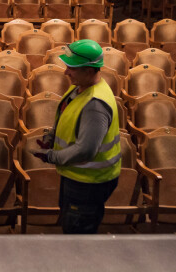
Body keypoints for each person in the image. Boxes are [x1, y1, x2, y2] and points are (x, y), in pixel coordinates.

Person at [31, 39, 121, 234]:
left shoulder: (95, 105)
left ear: (89, 71)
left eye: (71, 68)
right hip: (77, 175)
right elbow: (68, 116)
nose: (66, 72)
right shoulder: (80, 86)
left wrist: (51, 157)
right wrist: (52, 137)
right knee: (69, 223)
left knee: (78, 235)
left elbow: (86, 150)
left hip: (88, 182)